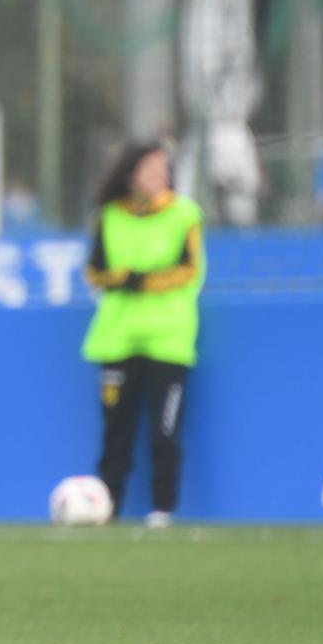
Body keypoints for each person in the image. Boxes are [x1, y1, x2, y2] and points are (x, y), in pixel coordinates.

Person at [82, 141, 204, 528]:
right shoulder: (109, 217)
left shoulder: (184, 215)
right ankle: (106, 509)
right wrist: (121, 278)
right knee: (115, 433)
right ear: (131, 173)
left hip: (168, 340)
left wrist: (144, 280)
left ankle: (163, 510)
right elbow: (95, 271)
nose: (159, 175)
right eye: (150, 168)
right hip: (117, 339)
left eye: (163, 168)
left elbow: (189, 269)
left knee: (164, 433)